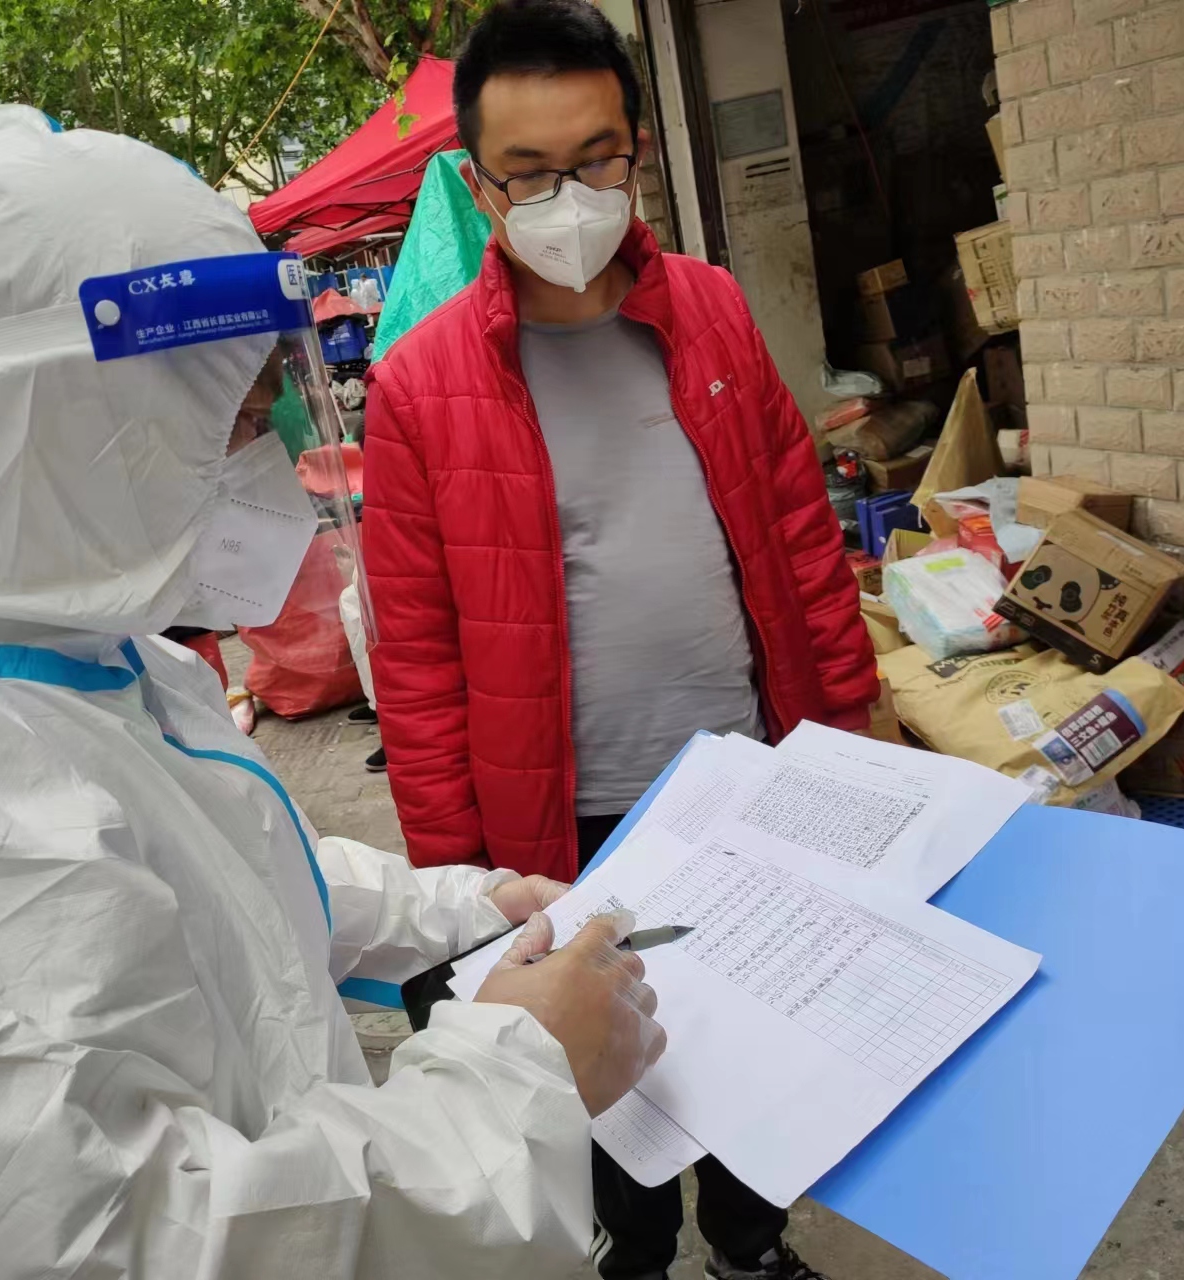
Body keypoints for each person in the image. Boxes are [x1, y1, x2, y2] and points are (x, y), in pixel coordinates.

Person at [0, 106, 665, 1280]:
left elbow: (225, 884)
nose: (259, 469)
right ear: (68, 422)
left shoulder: (105, 666)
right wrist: (516, 1075)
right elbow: (110, 1243)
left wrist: (461, 907)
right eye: (226, 425)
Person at [362, 3, 875, 1277]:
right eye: (529, 172)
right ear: (477, 185)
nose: (569, 198)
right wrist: (458, 877)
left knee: (756, 1049)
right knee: (607, 1091)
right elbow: (415, 658)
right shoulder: (420, 384)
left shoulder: (709, 309)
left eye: (594, 158)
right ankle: (632, 1260)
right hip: (563, 824)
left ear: (635, 148)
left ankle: (750, 1247)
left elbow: (800, 535)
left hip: (743, 777)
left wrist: (845, 737)